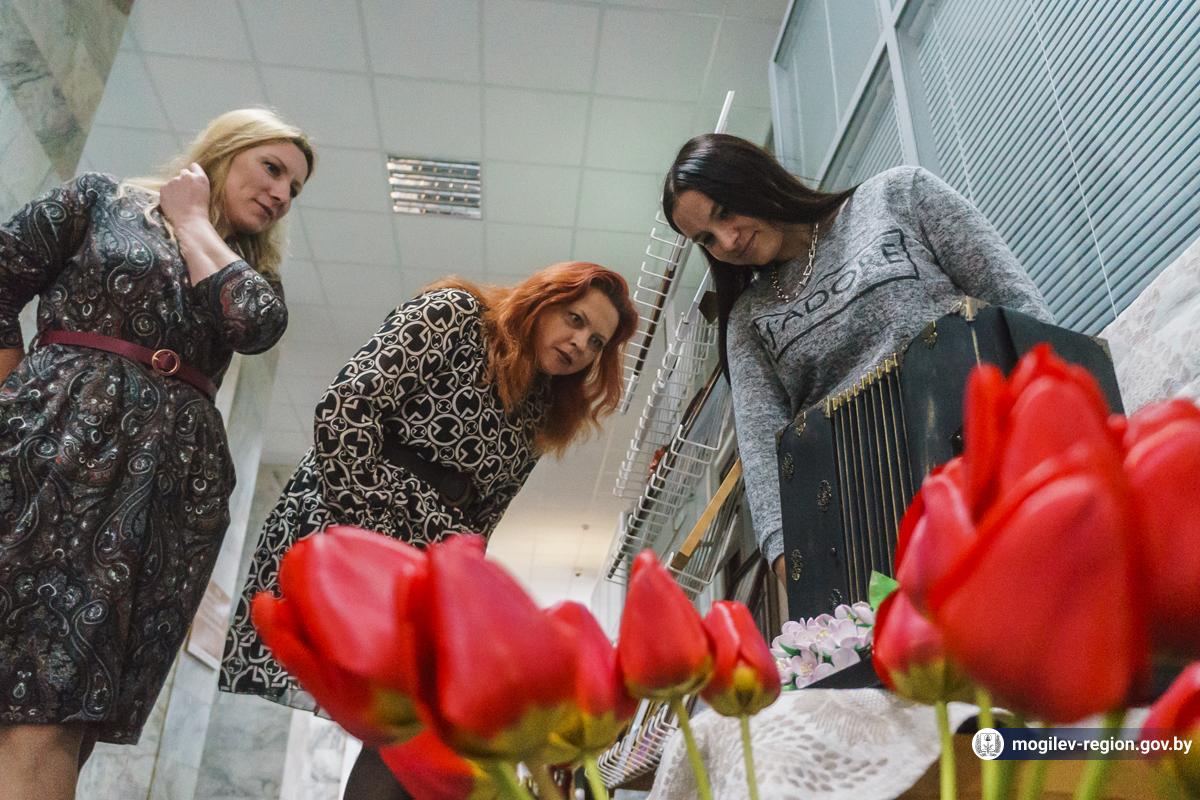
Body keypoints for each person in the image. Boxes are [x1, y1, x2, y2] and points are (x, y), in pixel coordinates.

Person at [220, 260, 637, 799]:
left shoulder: (544, 404)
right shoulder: (455, 314)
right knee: (406, 725)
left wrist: (462, 589)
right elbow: (346, 409)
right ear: (541, 302)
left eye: (597, 341)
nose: (580, 343)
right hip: (351, 531)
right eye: (574, 319)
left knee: (419, 731)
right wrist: (372, 545)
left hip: (431, 563)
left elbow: (488, 515)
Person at [0, 107, 313, 799]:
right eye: (272, 169)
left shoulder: (249, 273)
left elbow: (256, 325)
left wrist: (195, 221)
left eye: (295, 187)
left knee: (83, 702)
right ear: (224, 150)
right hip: (58, 450)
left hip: (170, 499)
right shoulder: (101, 201)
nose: (282, 193)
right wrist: (14, 394)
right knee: (40, 693)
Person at [661, 133, 1051, 589]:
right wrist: (787, 558)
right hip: (866, 527)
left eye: (725, 211)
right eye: (707, 238)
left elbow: (1019, 310)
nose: (728, 240)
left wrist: (1061, 422)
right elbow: (763, 445)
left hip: (991, 461)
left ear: (754, 178)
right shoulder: (748, 317)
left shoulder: (898, 196)